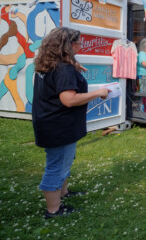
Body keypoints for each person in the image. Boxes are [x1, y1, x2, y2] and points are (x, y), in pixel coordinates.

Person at [32, 27, 109, 219]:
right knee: (57, 165)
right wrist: (98, 93)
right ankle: (53, 210)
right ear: (70, 45)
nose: (80, 46)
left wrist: (73, 63)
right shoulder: (63, 69)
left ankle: (63, 192)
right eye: (79, 43)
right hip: (58, 125)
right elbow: (69, 99)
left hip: (50, 122)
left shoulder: (48, 63)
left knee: (65, 160)